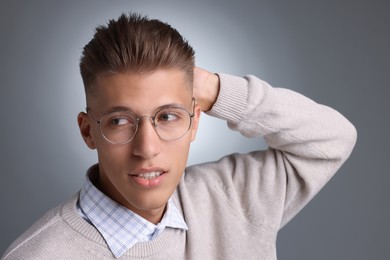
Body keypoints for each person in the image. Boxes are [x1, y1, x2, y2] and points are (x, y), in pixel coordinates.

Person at [1, 13, 357, 260]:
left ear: (196, 121)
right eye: (120, 121)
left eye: (168, 116)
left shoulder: (232, 198)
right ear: (87, 131)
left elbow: (331, 138)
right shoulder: (39, 254)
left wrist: (214, 89)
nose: (147, 148)